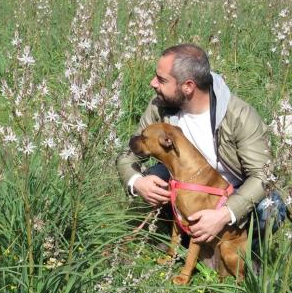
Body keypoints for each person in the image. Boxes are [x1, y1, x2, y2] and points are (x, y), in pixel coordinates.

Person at [116, 43, 287, 244]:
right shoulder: (160, 106)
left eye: (161, 79)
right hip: (186, 185)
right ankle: (182, 234)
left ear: (188, 86)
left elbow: (264, 175)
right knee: (153, 177)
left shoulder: (239, 115)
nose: (153, 83)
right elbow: (128, 155)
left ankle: (241, 253)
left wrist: (224, 213)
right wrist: (137, 182)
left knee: (271, 208)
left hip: (232, 190)